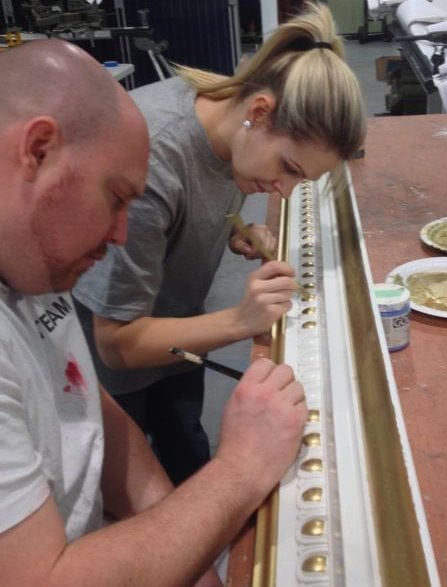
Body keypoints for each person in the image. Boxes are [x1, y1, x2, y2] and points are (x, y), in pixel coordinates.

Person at [0, 38, 307, 586]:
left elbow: (90, 411)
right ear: (38, 148)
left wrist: (191, 551)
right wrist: (239, 471)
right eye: (116, 198)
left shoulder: (30, 261)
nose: (121, 236)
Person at [73, 1, 367, 484]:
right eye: (290, 169)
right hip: (117, 369)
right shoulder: (154, 164)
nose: (285, 190)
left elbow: (206, 192)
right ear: (259, 111)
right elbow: (117, 345)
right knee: (140, 485)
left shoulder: (230, 124)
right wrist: (240, 320)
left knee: (185, 442)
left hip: (177, 327)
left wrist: (237, 229)